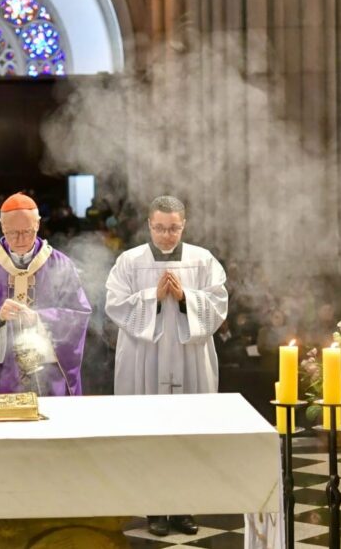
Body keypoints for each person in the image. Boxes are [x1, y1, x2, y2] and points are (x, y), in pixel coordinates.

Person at [104, 195, 227, 538]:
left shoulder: (203, 261)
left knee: (188, 434)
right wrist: (151, 298)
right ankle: (154, 508)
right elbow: (114, 306)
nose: (167, 235)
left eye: (173, 228)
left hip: (189, 356)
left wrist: (188, 298)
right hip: (145, 356)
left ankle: (184, 507)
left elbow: (218, 305)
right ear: (149, 225)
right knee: (149, 432)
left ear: (183, 225)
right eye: (160, 228)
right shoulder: (130, 262)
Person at [0, 192, 91, 397]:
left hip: (46, 372)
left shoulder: (59, 264)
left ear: (37, 224)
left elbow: (78, 314)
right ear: (2, 227)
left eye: (27, 232)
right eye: (12, 233)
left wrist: (40, 319)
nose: (20, 239)